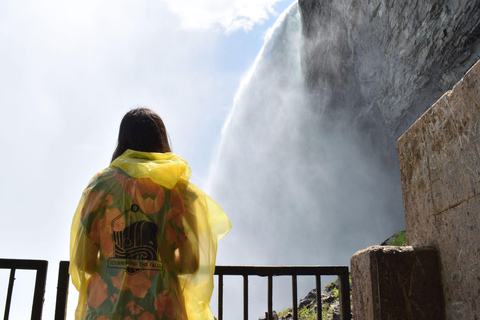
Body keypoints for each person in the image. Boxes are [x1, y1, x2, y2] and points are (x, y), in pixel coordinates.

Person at [70, 107, 231, 320]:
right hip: (162, 309)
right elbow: (190, 264)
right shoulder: (179, 190)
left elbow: (83, 262)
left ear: (123, 141)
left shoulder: (101, 186)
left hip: (107, 309)